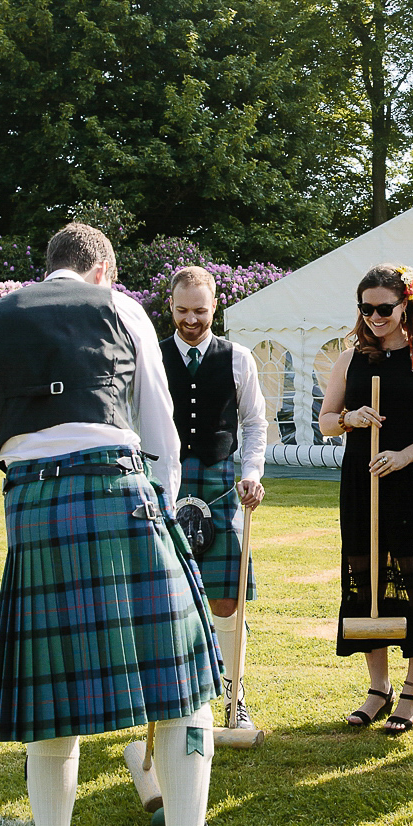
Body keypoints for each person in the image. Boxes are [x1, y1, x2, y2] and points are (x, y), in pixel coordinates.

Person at [0, 222, 280, 826]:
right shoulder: (121, 310)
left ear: (46, 269)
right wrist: (171, 510)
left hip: (33, 506)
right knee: (185, 681)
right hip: (120, 491)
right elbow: (161, 427)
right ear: (104, 269)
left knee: (51, 704)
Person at [319, 263, 413, 733]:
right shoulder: (349, 359)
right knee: (370, 579)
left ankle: (412, 689)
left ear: (407, 304)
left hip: (410, 482)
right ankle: (378, 687)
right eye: (367, 308)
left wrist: (407, 457)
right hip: (363, 481)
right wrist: (350, 418)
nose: (375, 317)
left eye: (385, 308)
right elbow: (325, 419)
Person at [160, 265, 268, 730]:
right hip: (166, 483)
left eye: (200, 311)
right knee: (168, 596)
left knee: (226, 600)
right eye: (182, 311)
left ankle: (233, 695)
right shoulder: (151, 356)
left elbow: (255, 424)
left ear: (215, 306)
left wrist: (252, 474)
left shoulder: (238, 357)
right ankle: (176, 698)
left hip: (222, 486)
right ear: (170, 306)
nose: (190, 320)